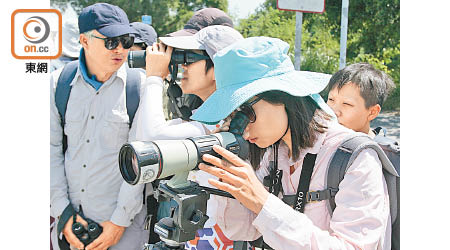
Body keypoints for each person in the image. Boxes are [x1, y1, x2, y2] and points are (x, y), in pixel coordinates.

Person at [190, 37, 391, 249]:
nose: (242, 127)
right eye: (230, 117)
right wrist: (228, 183)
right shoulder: (273, 152)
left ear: (282, 97)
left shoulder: (353, 158)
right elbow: (245, 230)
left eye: (243, 113)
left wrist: (264, 203)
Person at [50, 3, 150, 250]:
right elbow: (49, 151)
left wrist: (119, 222)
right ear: (84, 40)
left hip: (123, 230)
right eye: (110, 41)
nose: (120, 49)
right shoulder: (58, 84)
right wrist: (63, 213)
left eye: (126, 41)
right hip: (70, 225)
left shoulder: (140, 87)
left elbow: (141, 160)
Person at [133, 25, 243, 249]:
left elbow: (152, 139)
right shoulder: (204, 119)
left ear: (217, 68)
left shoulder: (225, 125)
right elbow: (145, 138)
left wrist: (154, 78)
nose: (181, 68)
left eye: (188, 60)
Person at [325, 63, 395, 138]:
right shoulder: (322, 139)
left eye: (347, 104)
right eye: (331, 99)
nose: (334, 112)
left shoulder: (374, 149)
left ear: (372, 112)